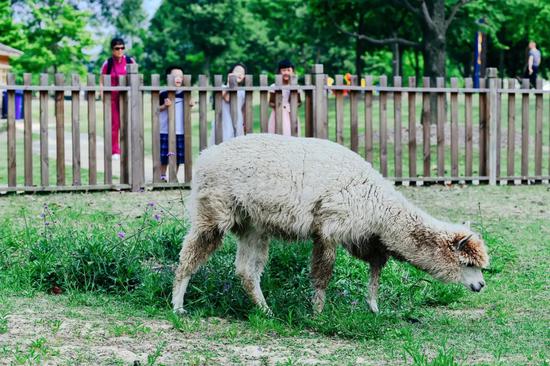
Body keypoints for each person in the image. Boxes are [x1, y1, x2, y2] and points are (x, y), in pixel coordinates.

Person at [100, 37, 136, 160]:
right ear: (112, 50)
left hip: (128, 97)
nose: (120, 50)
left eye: (122, 48)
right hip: (113, 98)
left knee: (129, 122)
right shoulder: (108, 63)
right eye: (117, 48)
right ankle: (115, 150)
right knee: (115, 124)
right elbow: (102, 81)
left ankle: (128, 148)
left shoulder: (130, 61)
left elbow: (136, 79)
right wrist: (103, 97)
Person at [159, 66, 187, 182]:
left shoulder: (185, 93)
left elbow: (189, 106)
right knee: (164, 155)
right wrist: (164, 106)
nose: (178, 78)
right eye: (175, 76)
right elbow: (157, 109)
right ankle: (162, 175)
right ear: (168, 78)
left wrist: (190, 104)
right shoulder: (163, 92)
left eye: (180, 76)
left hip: (180, 129)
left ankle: (174, 176)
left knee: (178, 155)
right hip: (165, 129)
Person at [209, 63, 246, 144]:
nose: (239, 74)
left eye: (242, 73)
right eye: (237, 71)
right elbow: (226, 98)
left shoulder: (243, 91)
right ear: (230, 73)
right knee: (222, 143)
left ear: (244, 77)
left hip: (238, 120)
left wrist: (244, 123)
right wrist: (229, 84)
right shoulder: (223, 87)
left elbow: (244, 109)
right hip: (223, 120)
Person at [268, 59, 301, 136]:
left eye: (288, 70)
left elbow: (299, 103)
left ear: (292, 71)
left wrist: (291, 103)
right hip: (278, 113)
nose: (286, 72)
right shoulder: (274, 86)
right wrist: (279, 106)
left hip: (291, 113)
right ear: (279, 72)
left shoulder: (296, 86)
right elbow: (271, 103)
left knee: (291, 133)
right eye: (283, 70)